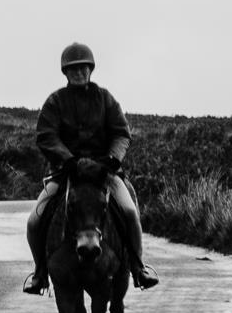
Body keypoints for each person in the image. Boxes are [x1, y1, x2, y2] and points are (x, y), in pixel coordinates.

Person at [24, 42, 158, 294]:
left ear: (90, 69)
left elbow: (121, 133)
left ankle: (138, 267)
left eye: (83, 68)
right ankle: (40, 273)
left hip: (103, 172)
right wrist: (68, 160)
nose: (79, 72)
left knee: (130, 212)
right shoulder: (55, 102)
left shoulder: (105, 99)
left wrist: (112, 159)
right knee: (34, 221)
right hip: (67, 172)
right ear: (66, 72)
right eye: (73, 69)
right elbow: (46, 135)